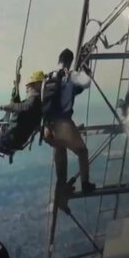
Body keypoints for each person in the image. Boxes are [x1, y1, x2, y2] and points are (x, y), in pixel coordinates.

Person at [43, 49, 96, 199]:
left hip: (47, 128)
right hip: (63, 125)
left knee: (60, 149)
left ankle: (62, 188)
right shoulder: (71, 75)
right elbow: (86, 83)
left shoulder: (49, 76)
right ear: (70, 61)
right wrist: (86, 72)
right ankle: (85, 184)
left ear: (59, 59)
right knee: (82, 152)